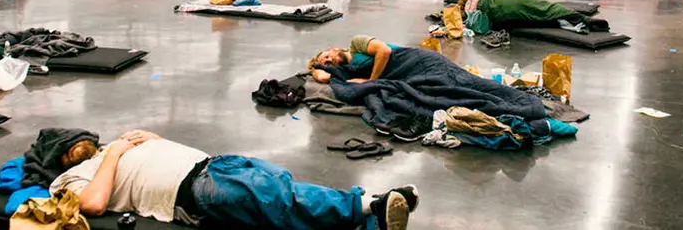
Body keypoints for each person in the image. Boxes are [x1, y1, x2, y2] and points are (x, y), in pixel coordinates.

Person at [49, 129, 417, 229]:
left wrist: (153, 139)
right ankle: (368, 203)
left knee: (284, 187)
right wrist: (113, 154)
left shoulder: (111, 145)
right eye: (70, 146)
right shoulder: (70, 179)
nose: (79, 146)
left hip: (214, 163)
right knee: (278, 200)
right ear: (61, 158)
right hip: (192, 192)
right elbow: (94, 205)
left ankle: (372, 219)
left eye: (81, 140)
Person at [309, 35, 399, 84]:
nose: (330, 60)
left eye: (327, 56)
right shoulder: (347, 71)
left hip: (404, 58)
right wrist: (315, 68)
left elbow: (384, 51)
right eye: (327, 64)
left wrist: (371, 81)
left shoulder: (356, 44)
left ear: (334, 49)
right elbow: (322, 77)